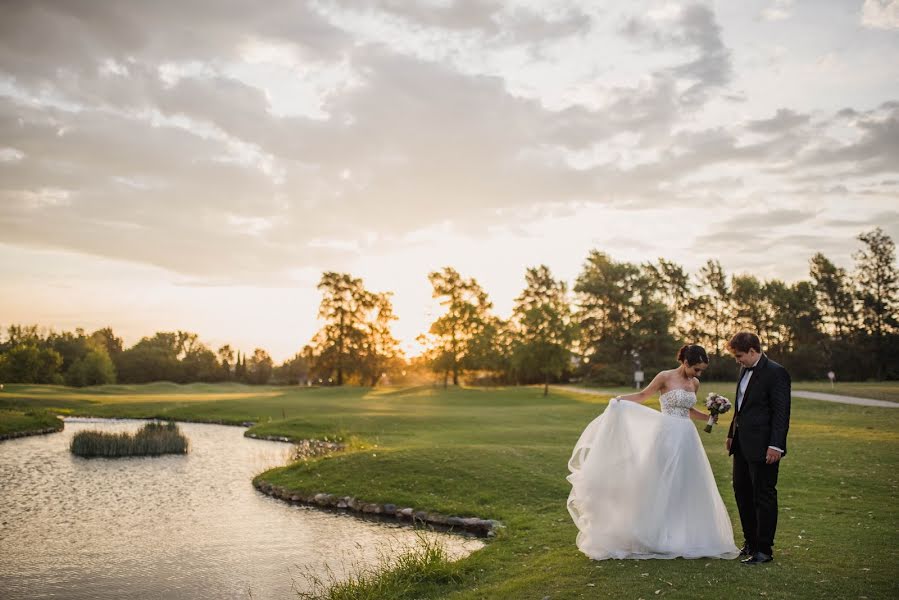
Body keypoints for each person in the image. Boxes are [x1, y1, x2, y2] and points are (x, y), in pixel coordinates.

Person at [567, 345, 739, 560]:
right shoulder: (664, 377)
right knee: (660, 482)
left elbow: (688, 410)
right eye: (696, 369)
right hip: (666, 436)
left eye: (701, 370)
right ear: (685, 362)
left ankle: (683, 534)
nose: (699, 374)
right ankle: (654, 533)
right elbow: (643, 395)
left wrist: (709, 417)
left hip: (687, 438)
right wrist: (619, 401)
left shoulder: (694, 383)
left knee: (685, 484)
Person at [725, 332, 791, 565]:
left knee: (763, 495)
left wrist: (776, 445)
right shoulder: (744, 369)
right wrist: (732, 433)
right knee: (742, 492)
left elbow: (781, 413)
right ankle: (750, 542)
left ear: (753, 351)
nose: (738, 360)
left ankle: (764, 550)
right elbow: (741, 408)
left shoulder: (776, 372)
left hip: (765, 447)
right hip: (742, 444)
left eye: (740, 356)